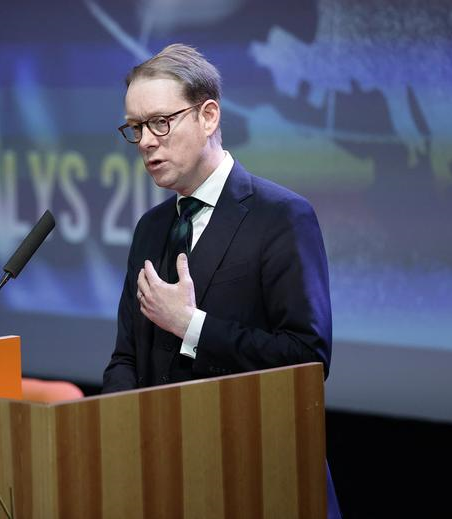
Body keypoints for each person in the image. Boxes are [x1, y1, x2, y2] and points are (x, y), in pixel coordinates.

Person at [102, 43, 340, 518]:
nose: (147, 141)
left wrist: (191, 325)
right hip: (164, 483)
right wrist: (117, 438)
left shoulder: (282, 217)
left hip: (262, 482)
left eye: (160, 123)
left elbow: (307, 357)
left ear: (208, 116)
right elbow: (126, 357)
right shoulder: (151, 227)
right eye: (135, 128)